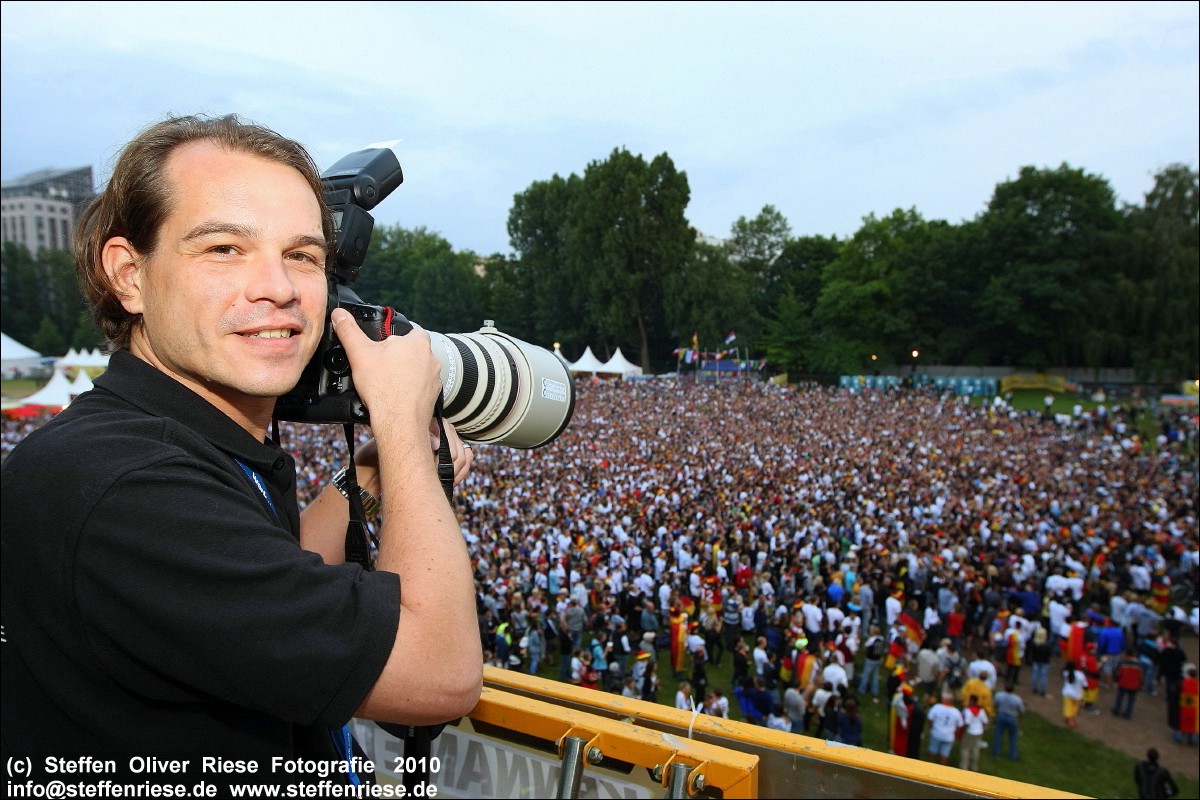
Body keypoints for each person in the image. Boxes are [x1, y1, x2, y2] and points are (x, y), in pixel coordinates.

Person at [0, 114, 481, 784]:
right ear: (128, 274)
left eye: (303, 256)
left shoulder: (156, 437)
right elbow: (437, 672)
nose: (278, 288)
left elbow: (258, 594)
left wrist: (361, 479)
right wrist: (401, 425)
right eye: (225, 249)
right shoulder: (126, 485)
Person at [925, 692, 964, 766]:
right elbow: (960, 725)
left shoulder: (937, 707)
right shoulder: (956, 711)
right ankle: (942, 770)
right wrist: (956, 734)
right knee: (944, 754)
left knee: (932, 751)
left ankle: (929, 767)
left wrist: (931, 728)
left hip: (936, 733)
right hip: (948, 736)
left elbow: (930, 719)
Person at [991, 682, 1025, 760]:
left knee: (998, 735)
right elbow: (1022, 711)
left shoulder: (999, 695)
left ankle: (996, 753)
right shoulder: (1017, 699)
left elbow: (994, 705)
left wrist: (993, 716)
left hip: (1001, 716)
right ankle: (1013, 755)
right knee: (1013, 737)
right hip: (1012, 718)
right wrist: (1021, 720)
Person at [1112, 646, 1146, 719]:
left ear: (1126, 654)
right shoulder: (1139, 663)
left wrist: (1116, 680)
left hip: (1123, 683)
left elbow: (1118, 673)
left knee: (1120, 697)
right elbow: (1141, 675)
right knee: (1131, 700)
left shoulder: (1122, 662)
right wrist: (1141, 684)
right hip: (1134, 685)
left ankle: (1117, 710)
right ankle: (1128, 714)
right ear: (1134, 654)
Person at [959, 693, 989, 772]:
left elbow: (967, 722)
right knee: (975, 748)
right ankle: (974, 766)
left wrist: (962, 731)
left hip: (969, 732)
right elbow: (985, 722)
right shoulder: (981, 710)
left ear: (972, 701)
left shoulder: (968, 710)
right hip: (978, 732)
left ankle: (964, 766)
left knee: (965, 749)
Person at [1062, 659, 1087, 729]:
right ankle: (1070, 721)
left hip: (1067, 694)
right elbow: (1085, 686)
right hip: (1077, 695)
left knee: (1068, 707)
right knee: (1074, 708)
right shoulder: (1080, 675)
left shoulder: (1065, 673)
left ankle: (1068, 720)